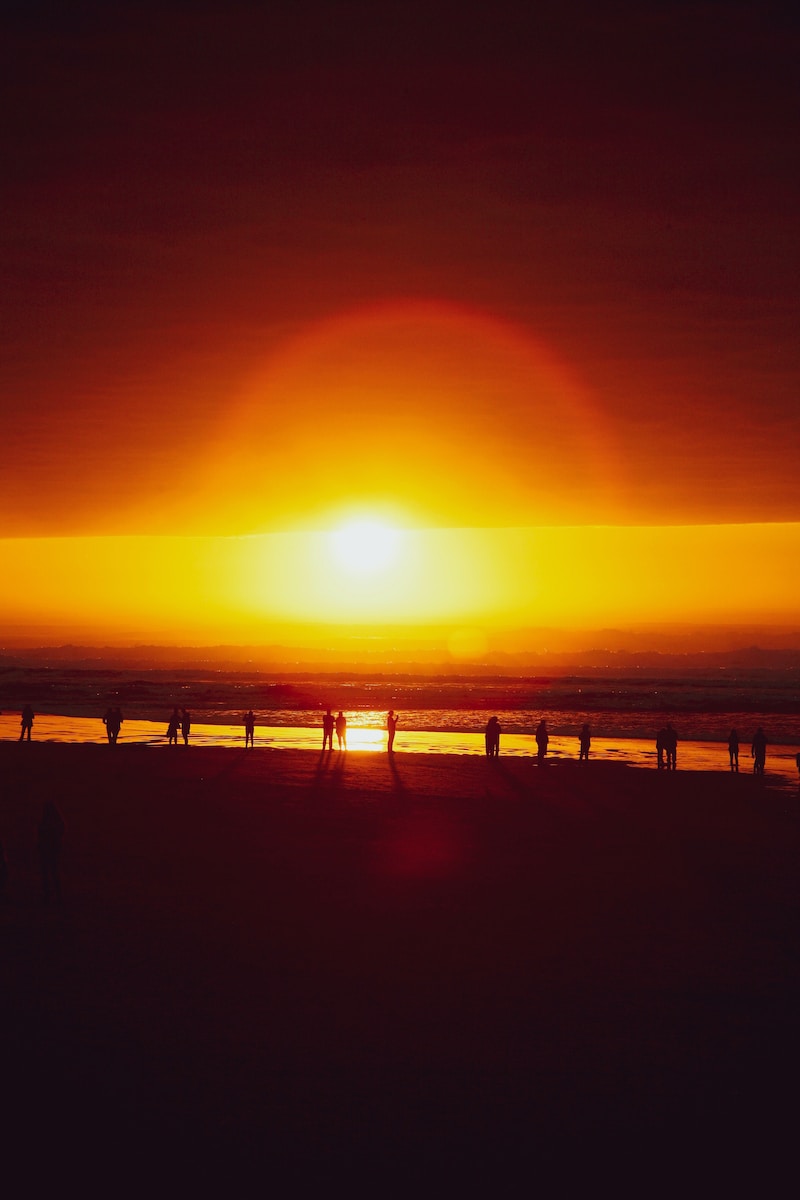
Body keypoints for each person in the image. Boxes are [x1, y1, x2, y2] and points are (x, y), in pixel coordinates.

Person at [38, 800, 65, 904]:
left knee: (48, 873)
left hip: (47, 851)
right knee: (53, 873)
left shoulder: (46, 823)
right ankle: (55, 894)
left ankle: (49, 894)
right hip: (52, 851)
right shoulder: (57, 823)